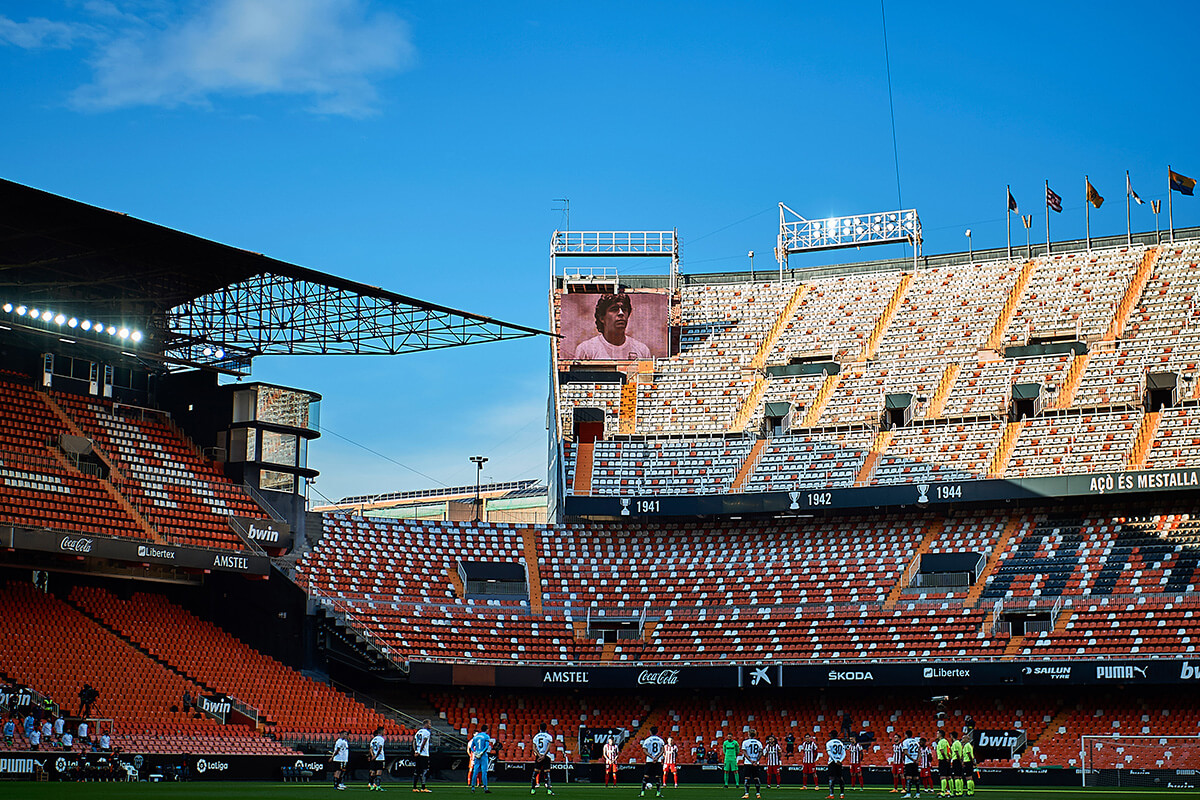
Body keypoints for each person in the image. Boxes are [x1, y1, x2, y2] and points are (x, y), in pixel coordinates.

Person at [574, 293, 651, 360]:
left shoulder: (642, 350)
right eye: (614, 309)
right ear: (601, 317)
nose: (621, 313)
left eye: (624, 309)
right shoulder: (586, 350)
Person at [640, 726, 665, 798]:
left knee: (646, 776)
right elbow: (662, 750)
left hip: (649, 760)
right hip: (658, 761)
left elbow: (644, 750)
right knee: (657, 777)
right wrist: (657, 758)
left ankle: (642, 792)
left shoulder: (647, 740)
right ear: (657, 732)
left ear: (650, 732)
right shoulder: (660, 740)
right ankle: (658, 793)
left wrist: (651, 757)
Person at [468, 724, 493, 793]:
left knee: (475, 771)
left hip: (476, 755)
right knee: (484, 772)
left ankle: (473, 788)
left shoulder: (476, 737)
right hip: (483, 755)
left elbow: (472, 746)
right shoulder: (486, 736)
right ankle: (485, 788)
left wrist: (475, 752)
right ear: (487, 729)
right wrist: (481, 752)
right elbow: (486, 746)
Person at [740, 728, 763, 800]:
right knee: (756, 778)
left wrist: (750, 760)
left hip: (748, 763)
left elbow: (744, 752)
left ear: (748, 734)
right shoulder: (758, 742)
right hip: (756, 763)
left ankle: (746, 793)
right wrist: (756, 761)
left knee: (747, 778)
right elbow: (761, 752)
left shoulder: (745, 742)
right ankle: (758, 793)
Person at [900, 730, 922, 799]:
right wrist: (917, 760)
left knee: (908, 777)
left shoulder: (905, 741)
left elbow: (906, 752)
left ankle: (908, 793)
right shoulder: (915, 741)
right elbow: (919, 751)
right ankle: (918, 793)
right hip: (915, 762)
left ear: (906, 735)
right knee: (916, 777)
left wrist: (912, 759)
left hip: (909, 762)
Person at [825, 734, 846, 800]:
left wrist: (835, 760)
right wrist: (840, 760)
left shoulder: (829, 743)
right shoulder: (840, 743)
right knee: (840, 778)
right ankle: (842, 794)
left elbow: (829, 753)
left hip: (832, 762)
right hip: (839, 762)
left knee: (831, 778)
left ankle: (831, 794)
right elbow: (844, 753)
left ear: (831, 735)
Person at [413, 720, 432, 793]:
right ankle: (423, 787)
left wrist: (415, 751)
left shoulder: (418, 732)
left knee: (417, 771)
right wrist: (420, 752)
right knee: (424, 770)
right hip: (424, 754)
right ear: (426, 724)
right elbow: (424, 742)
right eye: (429, 724)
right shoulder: (427, 732)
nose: (430, 725)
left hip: (417, 753)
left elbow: (414, 741)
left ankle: (414, 787)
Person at [368, 726, 386, 792]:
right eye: (384, 731)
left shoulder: (373, 739)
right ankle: (378, 786)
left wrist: (372, 755)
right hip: (379, 758)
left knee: (372, 771)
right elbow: (380, 748)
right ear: (381, 731)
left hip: (374, 758)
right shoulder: (381, 739)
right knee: (379, 771)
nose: (384, 732)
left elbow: (371, 749)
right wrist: (376, 756)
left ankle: (372, 785)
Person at [934, 731, 950, 797]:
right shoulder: (946, 741)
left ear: (940, 734)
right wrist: (949, 757)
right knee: (948, 776)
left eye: (937, 733)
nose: (936, 735)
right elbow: (949, 750)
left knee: (942, 776)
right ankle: (949, 791)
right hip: (947, 760)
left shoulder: (940, 742)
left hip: (943, 760)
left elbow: (942, 751)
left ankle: (943, 791)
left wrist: (945, 758)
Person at [948, 731, 964, 798]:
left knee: (956, 776)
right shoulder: (959, 743)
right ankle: (961, 791)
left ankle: (957, 791)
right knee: (960, 776)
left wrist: (960, 761)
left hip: (956, 760)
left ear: (952, 736)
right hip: (958, 760)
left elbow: (956, 753)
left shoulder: (955, 744)